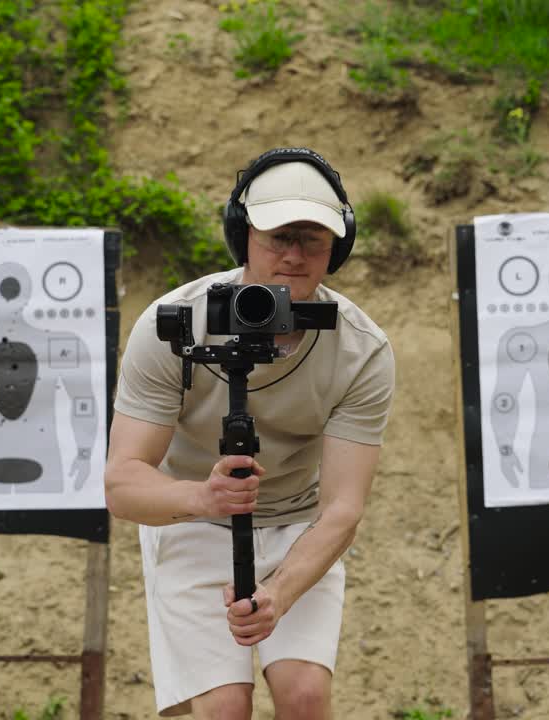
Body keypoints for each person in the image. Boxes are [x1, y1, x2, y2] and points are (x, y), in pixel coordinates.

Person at [105, 147, 396, 719]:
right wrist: (203, 496)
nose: (293, 255)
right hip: (193, 518)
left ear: (338, 246)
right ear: (243, 236)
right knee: (225, 709)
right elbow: (122, 484)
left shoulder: (362, 350)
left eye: (312, 239)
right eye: (277, 236)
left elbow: (343, 508)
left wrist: (279, 594)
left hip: (298, 526)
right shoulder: (173, 325)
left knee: (306, 698)